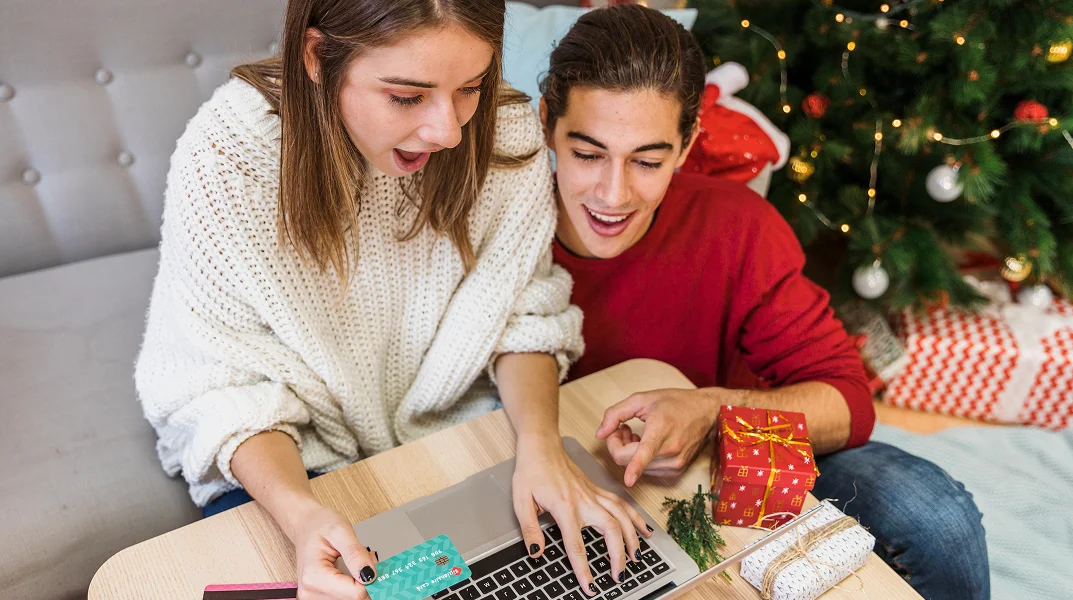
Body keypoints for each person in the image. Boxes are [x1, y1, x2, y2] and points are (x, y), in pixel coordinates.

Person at [135, 1, 649, 598]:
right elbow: (222, 387)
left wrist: (542, 450)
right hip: (291, 461)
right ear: (316, 56)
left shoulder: (504, 133)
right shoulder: (229, 160)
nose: (449, 130)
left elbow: (523, 314)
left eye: (472, 87)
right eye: (407, 96)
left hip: (463, 428)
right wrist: (302, 517)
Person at [538, 5, 991, 599]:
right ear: (547, 124)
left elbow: (848, 402)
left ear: (686, 144)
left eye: (647, 161)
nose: (612, 193)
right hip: (558, 471)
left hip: (731, 461)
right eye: (588, 154)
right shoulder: (503, 225)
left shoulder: (737, 226)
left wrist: (711, 412)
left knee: (938, 517)